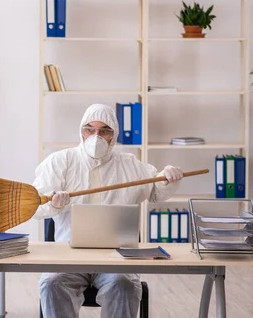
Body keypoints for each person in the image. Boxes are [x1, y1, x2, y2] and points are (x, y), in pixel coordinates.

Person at [34, 103, 183, 318]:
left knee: (124, 284)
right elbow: (35, 204)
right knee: (51, 283)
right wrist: (53, 204)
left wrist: (168, 178)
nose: (97, 137)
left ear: (114, 134)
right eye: (90, 130)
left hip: (117, 258)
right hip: (69, 257)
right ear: (81, 131)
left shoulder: (130, 165)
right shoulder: (60, 161)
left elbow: (156, 191)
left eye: (104, 131)